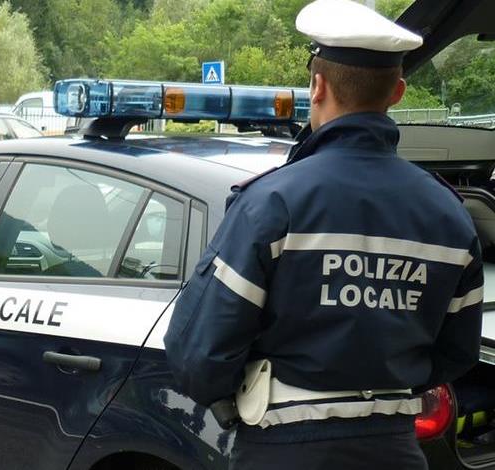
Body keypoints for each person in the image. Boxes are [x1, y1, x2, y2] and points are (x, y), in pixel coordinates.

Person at [163, 0, 484, 468]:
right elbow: (458, 353)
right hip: (396, 450)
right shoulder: (450, 215)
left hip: (283, 451)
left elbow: (199, 355)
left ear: (317, 86)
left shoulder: (272, 204)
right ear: (397, 92)